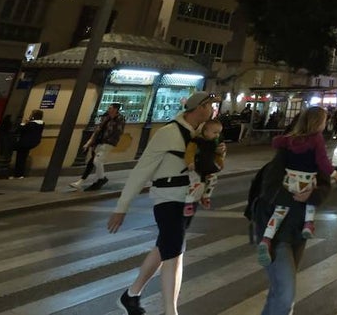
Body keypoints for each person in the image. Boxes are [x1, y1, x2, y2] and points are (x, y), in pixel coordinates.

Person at [108, 92, 222, 315]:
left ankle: (131, 295)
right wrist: (121, 208)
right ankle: (171, 311)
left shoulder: (200, 135)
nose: (213, 110)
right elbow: (141, 171)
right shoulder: (168, 133)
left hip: (189, 198)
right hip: (168, 198)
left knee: (165, 247)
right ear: (199, 107)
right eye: (210, 105)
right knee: (175, 251)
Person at [249, 135, 333, 315]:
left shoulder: (316, 159)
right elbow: (268, 192)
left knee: (279, 291)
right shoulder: (280, 161)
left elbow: (325, 186)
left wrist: (313, 195)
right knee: (286, 294)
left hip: (297, 233)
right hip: (276, 235)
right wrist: (297, 194)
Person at [257, 107, 337, 264]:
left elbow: (277, 142)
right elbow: (323, 164)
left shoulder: (288, 142)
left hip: (290, 189)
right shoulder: (316, 141)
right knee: (286, 286)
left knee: (279, 213)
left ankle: (266, 239)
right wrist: (333, 173)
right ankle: (309, 224)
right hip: (293, 221)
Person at [73, 103, 127, 191]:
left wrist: (106, 138)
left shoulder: (120, 119)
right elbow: (98, 130)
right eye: (109, 108)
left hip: (108, 142)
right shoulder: (106, 117)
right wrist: (90, 142)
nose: (109, 109)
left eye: (110, 108)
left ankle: (101, 179)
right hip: (99, 142)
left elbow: (118, 131)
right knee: (95, 161)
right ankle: (97, 181)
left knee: (97, 161)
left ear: (116, 109)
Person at [183, 117, 225, 216]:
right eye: (215, 132)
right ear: (205, 132)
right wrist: (190, 162)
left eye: (218, 133)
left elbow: (217, 156)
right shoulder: (196, 141)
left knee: (212, 180)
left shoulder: (216, 144)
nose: (217, 135)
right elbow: (190, 153)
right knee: (194, 184)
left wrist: (220, 162)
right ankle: (188, 202)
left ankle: (206, 196)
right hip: (197, 167)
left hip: (209, 166)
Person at [10, 110, 45, 178]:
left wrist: (24, 123)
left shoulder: (31, 124)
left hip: (24, 143)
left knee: (20, 158)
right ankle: (20, 174)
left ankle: (18, 174)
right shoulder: (41, 124)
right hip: (33, 142)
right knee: (23, 158)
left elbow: (20, 129)